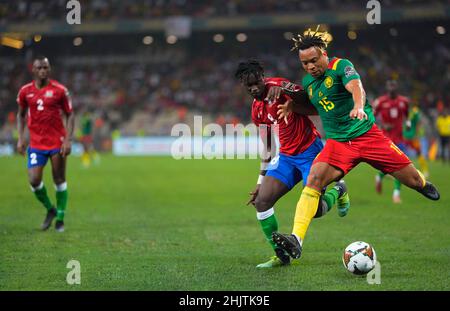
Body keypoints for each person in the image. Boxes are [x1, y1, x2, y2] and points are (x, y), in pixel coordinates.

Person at [272, 28, 440, 260]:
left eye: (313, 60)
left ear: (323, 53)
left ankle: (422, 183)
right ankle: (296, 239)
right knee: (313, 180)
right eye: (304, 63)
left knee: (412, 180)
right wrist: (293, 107)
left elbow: (355, 86)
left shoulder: (341, 66)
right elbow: (317, 107)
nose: (310, 66)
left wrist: (358, 106)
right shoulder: (309, 82)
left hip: (368, 137)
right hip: (338, 144)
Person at [235, 59, 350, 268]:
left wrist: (287, 92)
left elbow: (313, 104)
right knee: (261, 201)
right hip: (287, 158)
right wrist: (260, 182)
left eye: (256, 83)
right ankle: (281, 256)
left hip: (310, 152)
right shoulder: (256, 109)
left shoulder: (280, 86)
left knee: (315, 210)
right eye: (248, 85)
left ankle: (339, 190)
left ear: (263, 77)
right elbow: (269, 146)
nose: (253, 88)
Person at [16, 56, 75, 232]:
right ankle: (51, 209)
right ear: (33, 70)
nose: (43, 70)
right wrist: (20, 138)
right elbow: (20, 115)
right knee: (34, 180)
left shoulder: (60, 90)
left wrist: (68, 139)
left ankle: (60, 219)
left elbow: (70, 114)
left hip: (57, 142)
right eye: (39, 68)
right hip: (36, 144)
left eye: (45, 68)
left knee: (59, 179)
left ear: (49, 70)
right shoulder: (25, 91)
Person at [372, 80, 410, 203]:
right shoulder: (380, 102)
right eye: (390, 86)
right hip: (386, 139)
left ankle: (396, 194)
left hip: (399, 138)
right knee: (389, 166)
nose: (392, 88)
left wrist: (408, 123)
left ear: (397, 88)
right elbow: (371, 118)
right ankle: (379, 176)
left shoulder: (404, 102)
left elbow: (407, 115)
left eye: (394, 86)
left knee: (401, 166)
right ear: (387, 88)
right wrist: (382, 124)